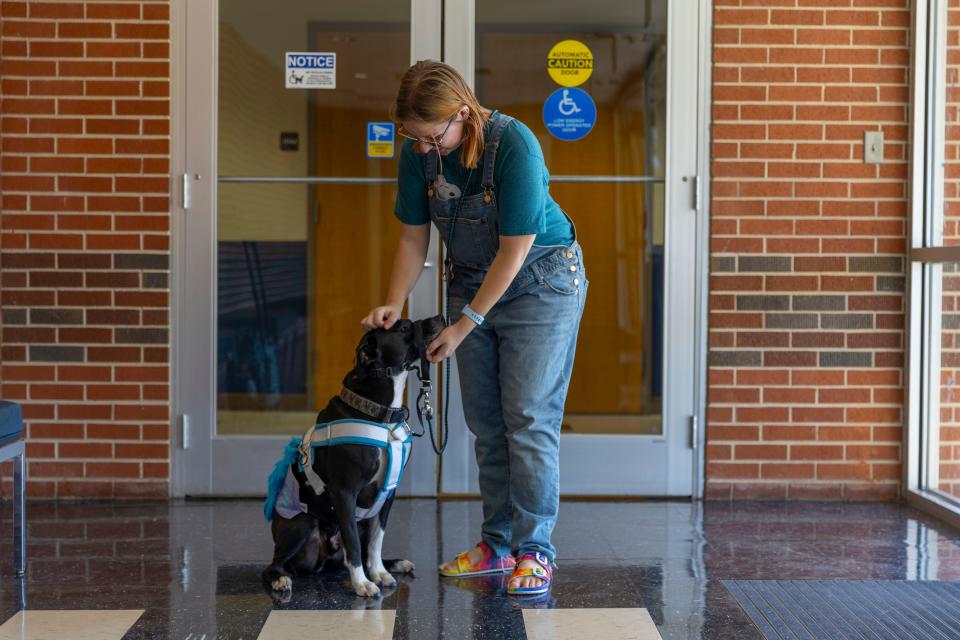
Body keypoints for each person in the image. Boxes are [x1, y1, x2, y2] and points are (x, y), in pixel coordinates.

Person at [361, 60, 587, 597]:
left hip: (542, 281)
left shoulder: (516, 145)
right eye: (412, 137)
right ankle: (497, 544)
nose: (422, 149)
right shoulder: (418, 155)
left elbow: (515, 250)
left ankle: (535, 552)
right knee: (487, 424)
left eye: (431, 136)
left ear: (463, 112)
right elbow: (414, 238)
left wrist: (465, 325)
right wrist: (394, 303)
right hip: (470, 280)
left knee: (528, 421)